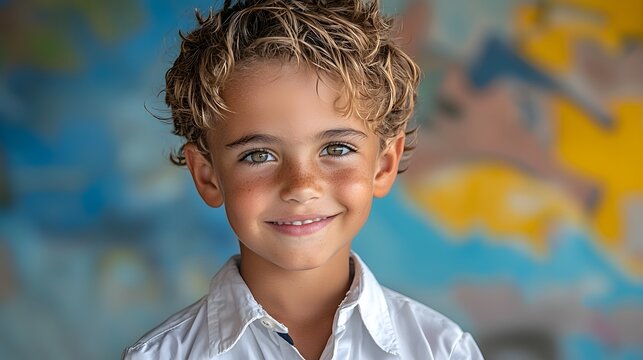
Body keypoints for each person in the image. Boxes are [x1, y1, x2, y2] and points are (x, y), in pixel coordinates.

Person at [122, 0, 484, 359]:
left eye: (337, 149)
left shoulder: (442, 351)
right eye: (258, 155)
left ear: (384, 164)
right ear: (207, 176)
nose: (301, 186)